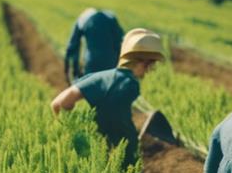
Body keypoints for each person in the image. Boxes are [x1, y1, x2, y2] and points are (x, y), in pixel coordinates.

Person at [50, 28, 164, 165]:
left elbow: (57, 103)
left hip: (89, 155)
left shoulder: (98, 77)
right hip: (114, 159)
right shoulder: (129, 83)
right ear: (143, 63)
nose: (148, 72)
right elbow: (117, 124)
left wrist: (70, 132)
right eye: (151, 66)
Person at [64, 7, 125, 81]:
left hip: (93, 63)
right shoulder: (111, 17)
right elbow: (121, 41)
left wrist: (72, 72)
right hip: (113, 63)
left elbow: (72, 47)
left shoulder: (83, 18)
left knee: (90, 87)